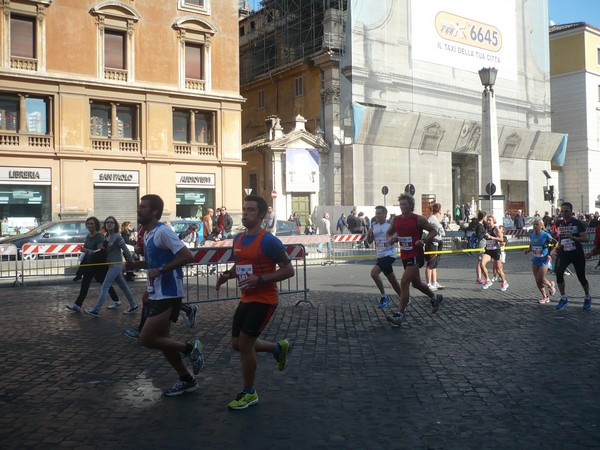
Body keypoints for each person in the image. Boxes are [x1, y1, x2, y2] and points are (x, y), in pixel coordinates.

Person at [215, 195, 294, 410]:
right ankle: (278, 348)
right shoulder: (238, 239)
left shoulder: (269, 240)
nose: (245, 213)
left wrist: (261, 279)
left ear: (261, 215)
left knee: (246, 345)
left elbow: (289, 270)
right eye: (244, 209)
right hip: (246, 297)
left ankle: (249, 392)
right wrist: (226, 275)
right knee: (237, 344)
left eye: (250, 210)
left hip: (265, 299)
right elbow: (241, 265)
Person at [125, 194, 204, 396]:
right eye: (139, 206)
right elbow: (154, 264)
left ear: (154, 212)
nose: (138, 210)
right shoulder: (148, 233)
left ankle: (190, 348)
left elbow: (188, 256)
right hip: (156, 292)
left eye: (143, 207)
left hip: (169, 292)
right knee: (164, 340)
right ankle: (186, 379)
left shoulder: (163, 232)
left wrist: (161, 271)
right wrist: (137, 265)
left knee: (147, 338)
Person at [385, 194, 443, 325]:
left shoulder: (419, 219)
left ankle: (399, 314)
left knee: (404, 283)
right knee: (416, 283)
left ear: (411, 206)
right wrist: (390, 238)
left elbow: (434, 231)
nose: (402, 207)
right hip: (405, 255)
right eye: (400, 205)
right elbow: (389, 232)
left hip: (416, 255)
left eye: (405, 205)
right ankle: (434, 297)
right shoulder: (396, 220)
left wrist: (423, 240)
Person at [84, 216, 138, 317]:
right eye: (107, 222)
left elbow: (125, 249)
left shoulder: (117, 236)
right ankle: (133, 304)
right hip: (111, 265)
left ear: (115, 224)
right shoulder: (107, 236)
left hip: (116, 265)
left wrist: (131, 262)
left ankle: (96, 309)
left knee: (105, 286)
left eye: (111, 222)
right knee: (123, 286)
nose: (109, 224)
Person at [66, 217, 120, 312]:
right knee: (91, 283)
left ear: (96, 225)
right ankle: (78, 304)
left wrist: (85, 250)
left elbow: (98, 251)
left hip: (98, 265)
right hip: (90, 264)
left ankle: (115, 300)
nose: (89, 225)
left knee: (101, 283)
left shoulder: (99, 237)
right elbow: (87, 250)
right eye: (88, 224)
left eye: (92, 224)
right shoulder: (88, 236)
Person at [551, 202, 592, 310]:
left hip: (576, 253)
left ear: (571, 211)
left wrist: (573, 238)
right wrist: (557, 247)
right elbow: (560, 238)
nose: (564, 213)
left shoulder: (577, 223)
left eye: (566, 211)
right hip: (564, 252)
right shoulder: (559, 223)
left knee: (581, 277)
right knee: (559, 273)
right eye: (562, 211)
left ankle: (587, 296)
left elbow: (586, 239)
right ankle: (563, 298)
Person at [366, 206, 402, 309]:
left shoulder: (390, 226)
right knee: (392, 280)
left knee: (374, 273)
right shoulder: (374, 226)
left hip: (389, 255)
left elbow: (396, 238)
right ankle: (404, 298)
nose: (377, 215)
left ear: (385, 215)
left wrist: (394, 239)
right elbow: (369, 241)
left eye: (379, 213)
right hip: (380, 256)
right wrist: (369, 234)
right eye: (376, 213)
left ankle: (384, 297)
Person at [524, 219, 556, 304]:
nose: (535, 226)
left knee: (540, 278)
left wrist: (550, 254)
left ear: (541, 226)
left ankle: (550, 285)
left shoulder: (545, 235)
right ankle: (545, 297)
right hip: (536, 259)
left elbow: (556, 244)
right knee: (537, 280)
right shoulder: (532, 235)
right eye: (534, 224)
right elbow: (532, 245)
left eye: (537, 224)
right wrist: (528, 250)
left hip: (544, 259)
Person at [480, 215, 509, 292]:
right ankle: (487, 280)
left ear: (493, 221)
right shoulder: (486, 228)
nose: (488, 222)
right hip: (488, 250)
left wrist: (491, 237)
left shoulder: (496, 228)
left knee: (499, 270)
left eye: (490, 220)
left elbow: (501, 239)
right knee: (482, 264)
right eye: (488, 220)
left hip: (496, 250)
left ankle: (504, 282)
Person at [425, 202, 445, 291]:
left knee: (435, 264)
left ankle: (434, 282)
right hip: (432, 243)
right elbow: (425, 230)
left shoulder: (437, 219)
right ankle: (428, 284)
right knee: (430, 263)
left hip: (438, 242)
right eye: (441, 208)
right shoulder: (431, 219)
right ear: (439, 210)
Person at [473, 211, 488, 284]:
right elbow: (479, 236)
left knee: (481, 261)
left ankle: (480, 276)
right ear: (483, 217)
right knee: (480, 261)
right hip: (481, 243)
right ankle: (479, 277)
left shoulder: (482, 224)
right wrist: (485, 234)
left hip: (483, 243)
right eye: (485, 216)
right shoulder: (479, 225)